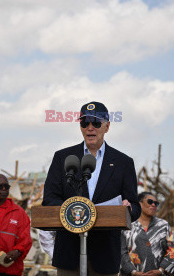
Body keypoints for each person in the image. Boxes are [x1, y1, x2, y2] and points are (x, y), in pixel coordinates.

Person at [43, 101, 141, 275]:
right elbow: (50, 199)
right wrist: (75, 210)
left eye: (96, 123)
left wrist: (129, 209)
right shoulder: (63, 158)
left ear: (107, 126)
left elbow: (134, 205)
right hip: (69, 253)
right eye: (84, 123)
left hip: (105, 254)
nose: (90, 128)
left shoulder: (123, 162)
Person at [121, 192, 174, 276]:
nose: (154, 205)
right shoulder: (127, 226)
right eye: (150, 202)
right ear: (139, 203)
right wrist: (134, 272)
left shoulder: (163, 225)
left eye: (156, 203)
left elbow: (172, 250)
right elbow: (122, 253)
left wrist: (160, 271)